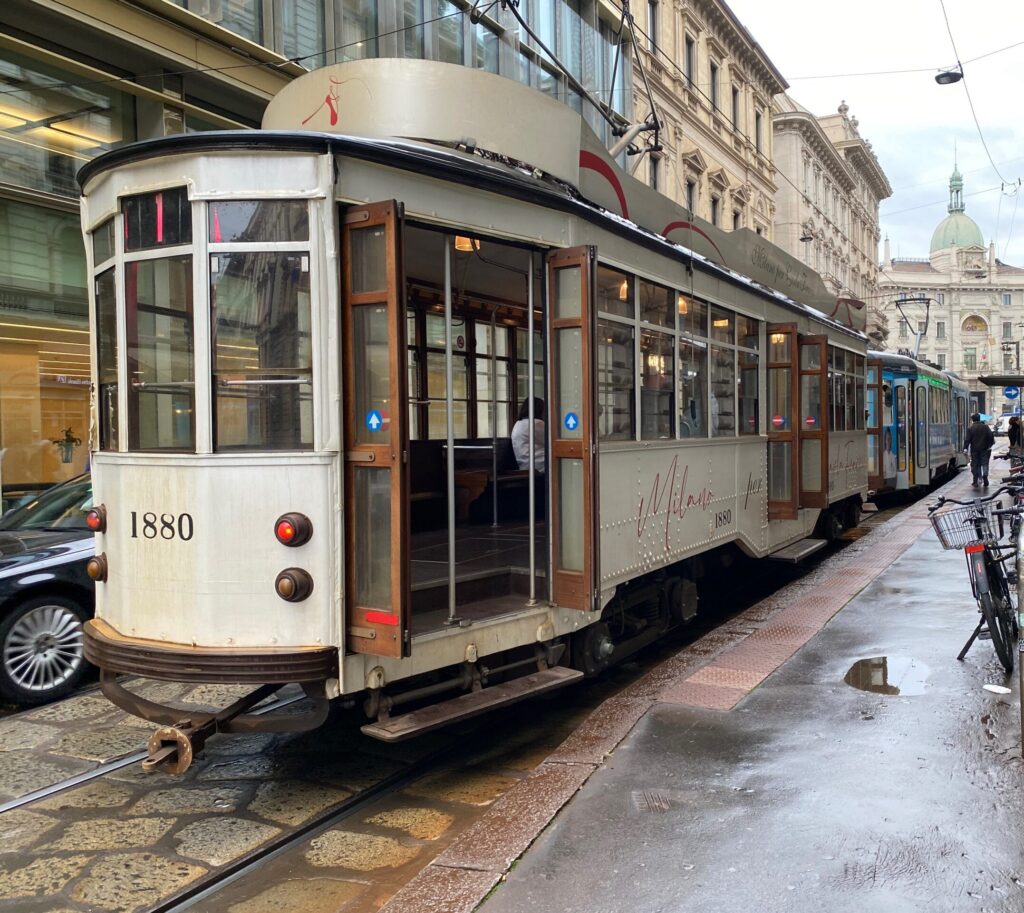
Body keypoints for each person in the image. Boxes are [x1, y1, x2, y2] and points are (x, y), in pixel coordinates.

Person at [511, 397, 545, 472]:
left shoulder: (518, 423)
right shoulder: (537, 423)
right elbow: (551, 441)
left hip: (524, 464)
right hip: (539, 463)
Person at [964, 412, 995, 487]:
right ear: (979, 419)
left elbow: (967, 439)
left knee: (976, 464)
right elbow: (991, 436)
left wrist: (965, 448)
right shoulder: (985, 427)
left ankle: (975, 480)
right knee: (985, 463)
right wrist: (989, 445)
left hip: (974, 449)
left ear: (972, 420)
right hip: (984, 449)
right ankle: (985, 476)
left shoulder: (970, 428)